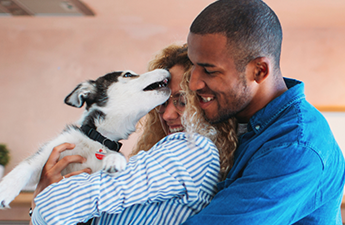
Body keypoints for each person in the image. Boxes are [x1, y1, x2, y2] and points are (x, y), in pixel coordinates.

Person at [30, 43, 238, 224]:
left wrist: (41, 199)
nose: (166, 115)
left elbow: (55, 209)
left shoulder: (193, 149)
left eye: (182, 101)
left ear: (203, 101)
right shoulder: (166, 159)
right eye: (162, 102)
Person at [181, 0, 345, 224]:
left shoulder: (296, 146)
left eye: (209, 71)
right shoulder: (233, 117)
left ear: (259, 71)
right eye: (193, 65)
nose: (193, 83)